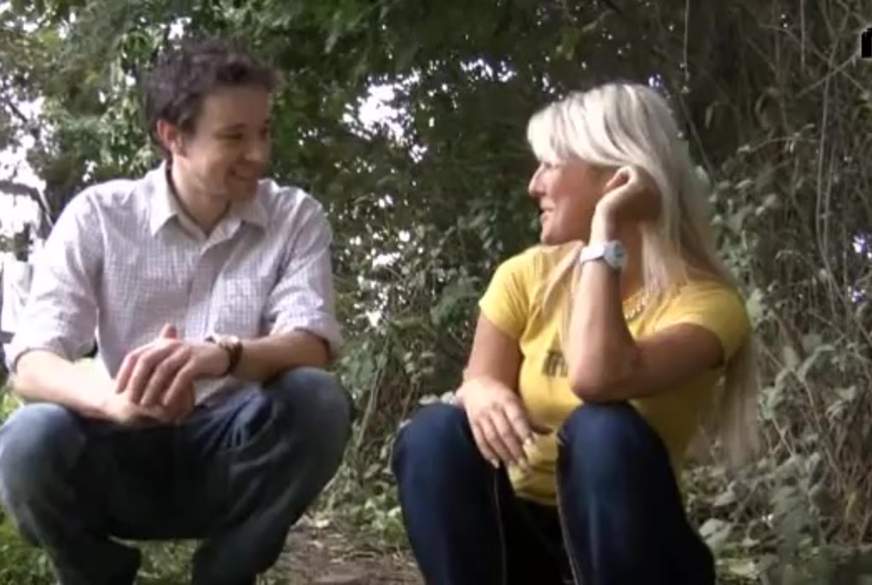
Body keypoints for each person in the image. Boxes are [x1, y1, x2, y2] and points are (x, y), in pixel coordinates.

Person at [0, 38, 351, 585]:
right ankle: (97, 574)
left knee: (320, 400)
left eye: (263, 131)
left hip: (234, 450)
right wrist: (113, 400)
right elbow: (31, 362)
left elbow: (312, 340)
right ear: (173, 136)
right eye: (234, 136)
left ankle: (226, 572)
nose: (258, 154)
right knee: (29, 436)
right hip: (118, 452)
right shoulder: (99, 216)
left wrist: (222, 355)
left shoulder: (294, 217)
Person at [391, 82, 758, 585]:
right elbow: (477, 381)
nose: (534, 185)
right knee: (432, 433)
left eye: (550, 165)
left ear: (617, 174)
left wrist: (606, 229)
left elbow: (598, 378)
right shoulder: (525, 276)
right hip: (523, 546)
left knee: (603, 427)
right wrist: (480, 390)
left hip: (636, 555)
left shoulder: (707, 303)